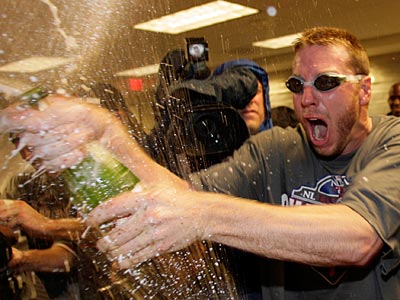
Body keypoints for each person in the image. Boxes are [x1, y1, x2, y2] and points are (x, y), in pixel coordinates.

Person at [0, 26, 399, 300]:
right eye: (297, 85)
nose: (307, 98)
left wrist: (202, 216)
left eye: (325, 83)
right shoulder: (275, 150)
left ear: (365, 90)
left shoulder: (392, 142)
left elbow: (357, 239)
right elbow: (176, 197)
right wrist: (108, 136)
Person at [213, 59, 273, 134]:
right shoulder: (202, 144)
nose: (249, 100)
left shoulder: (281, 143)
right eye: (240, 92)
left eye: (256, 91)